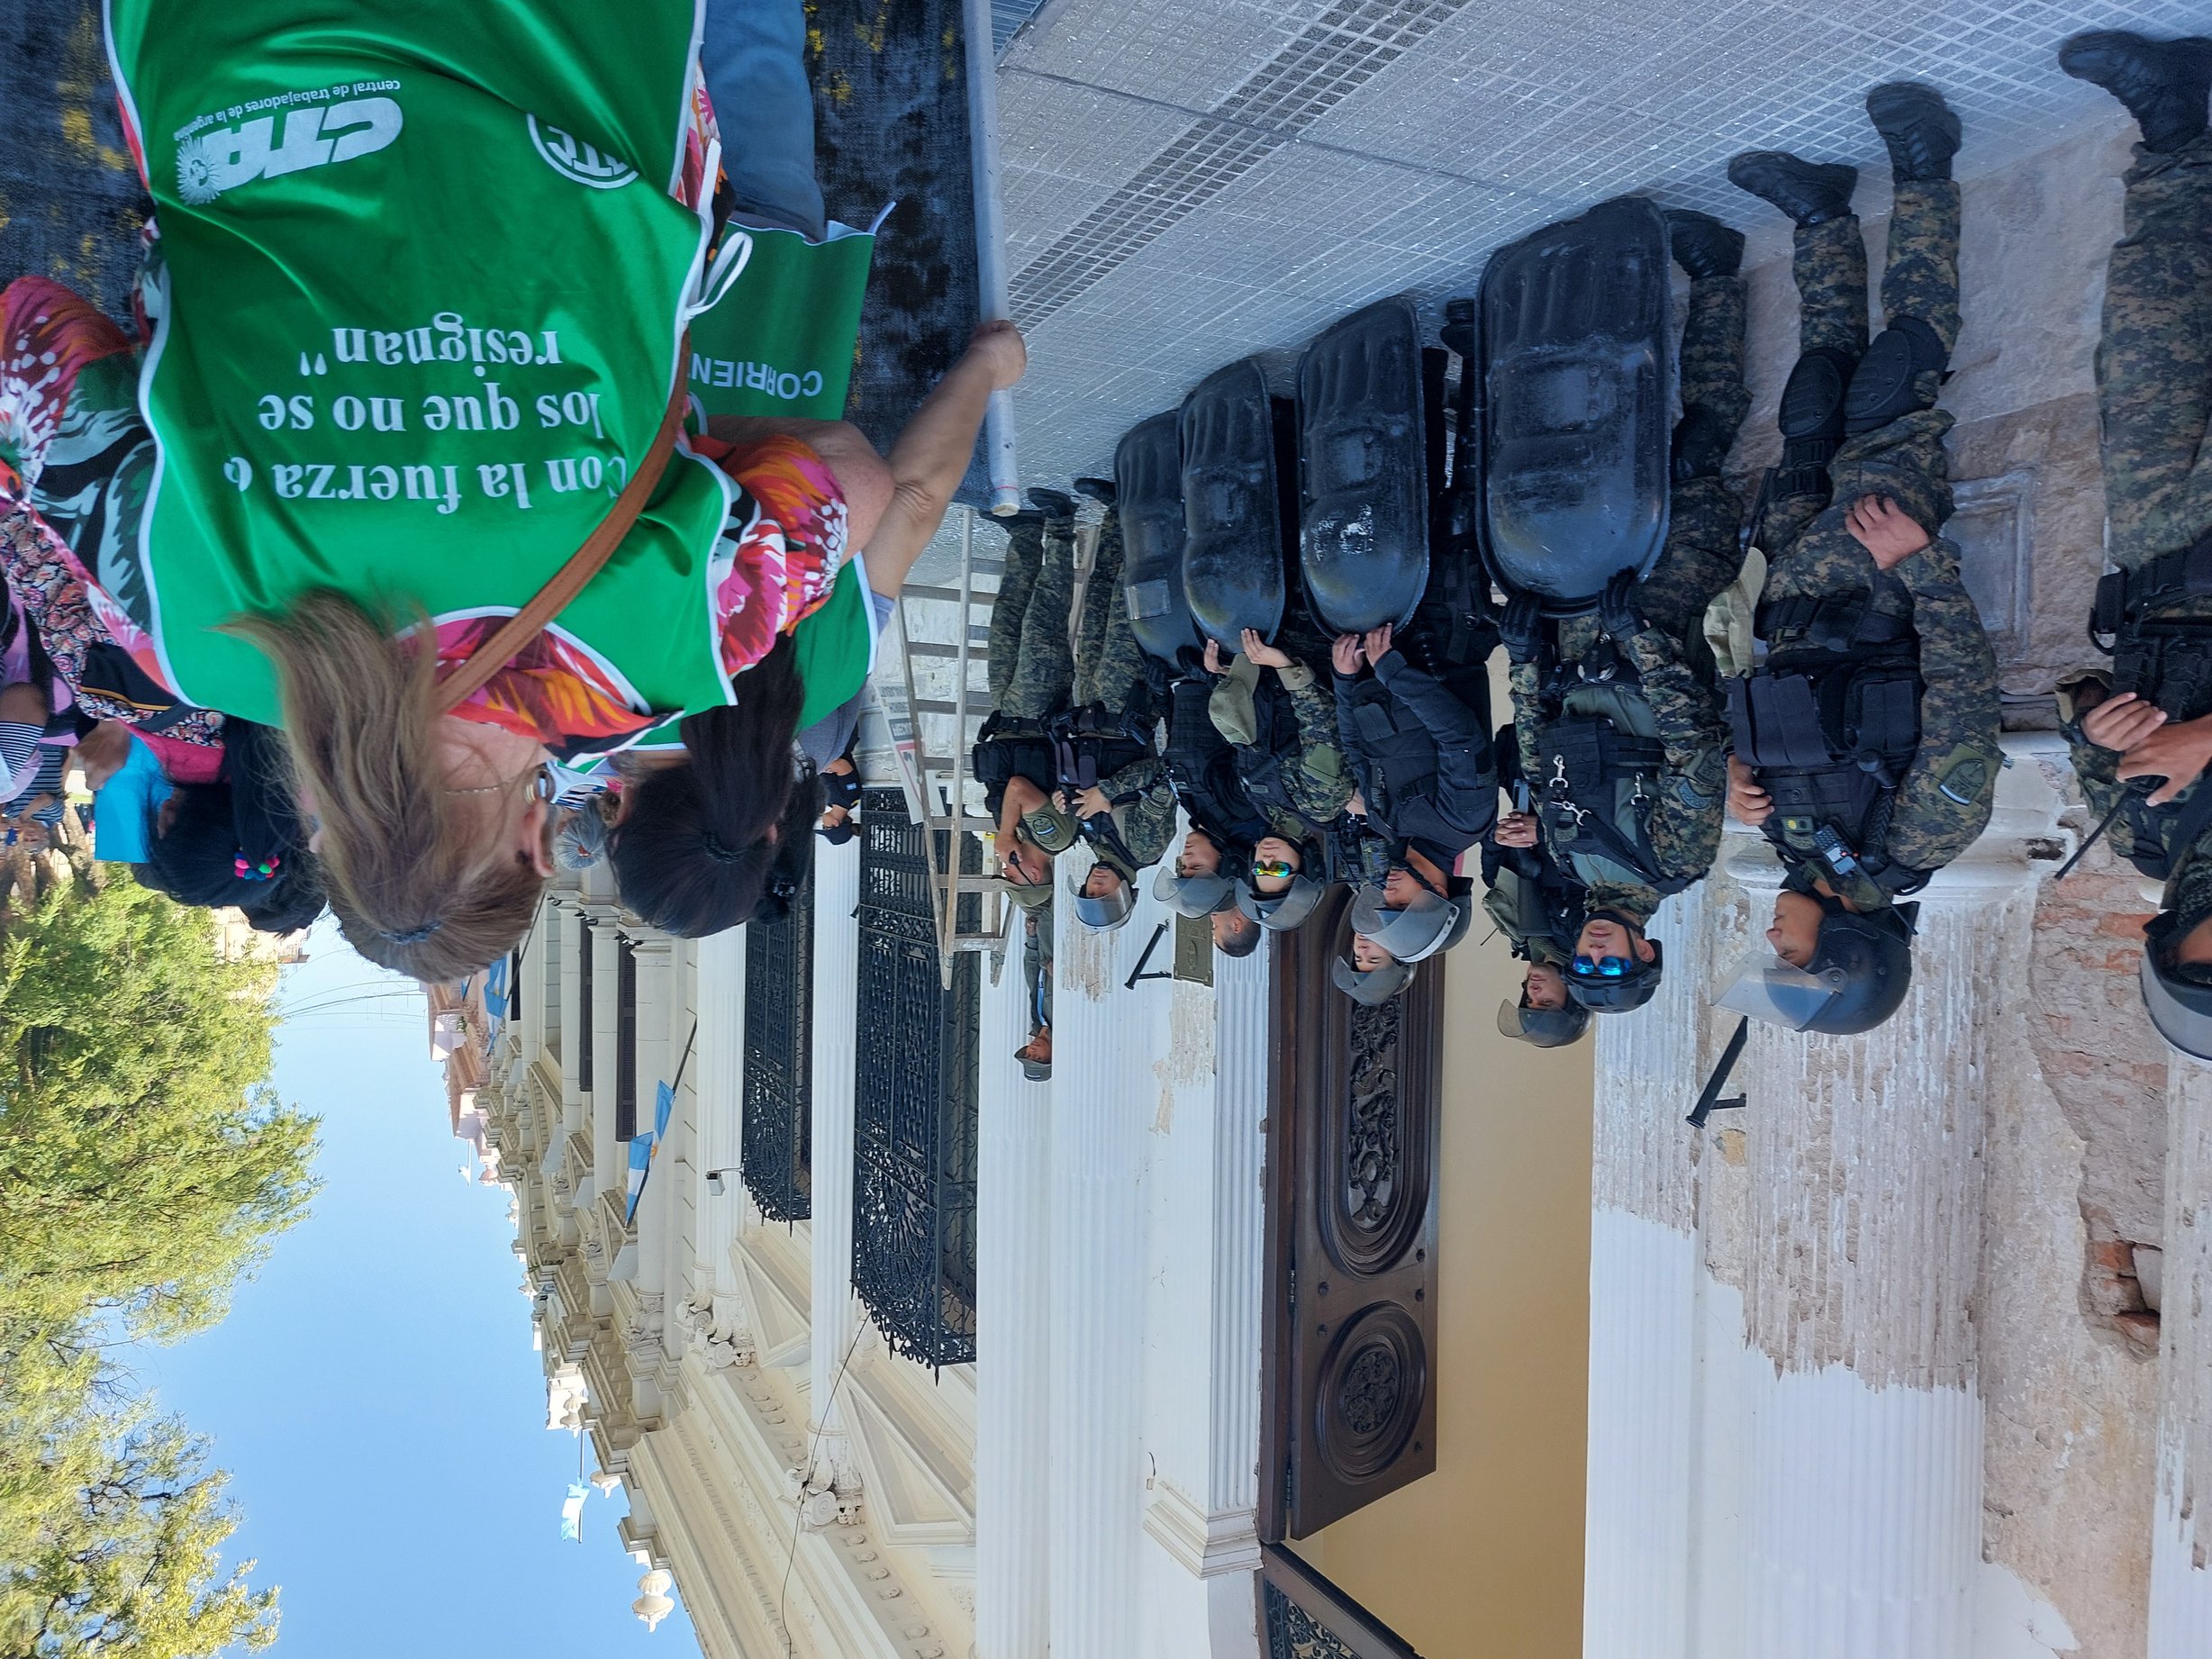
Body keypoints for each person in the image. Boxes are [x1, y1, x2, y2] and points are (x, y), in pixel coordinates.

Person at [0, 0, 894, 982]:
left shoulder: (660, 657)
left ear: (537, 844)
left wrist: (681, 459)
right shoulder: (188, 638)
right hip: (229, 50)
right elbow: (30, 332)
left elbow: (854, 473)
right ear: (324, 833)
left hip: (582, 54)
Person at [1718, 81, 2001, 1037]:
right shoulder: (1923, 835)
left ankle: (1821, 217)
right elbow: (1963, 688)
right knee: (1894, 379)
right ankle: (1924, 165)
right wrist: (1917, 560)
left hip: (1788, 577)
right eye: (1790, 954)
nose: (1771, 937)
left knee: (1815, 397)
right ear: (1845, 947)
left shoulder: (1795, 849)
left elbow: (1770, 714)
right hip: (1878, 566)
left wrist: (1738, 770)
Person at [608, 318, 1027, 936]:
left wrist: (987, 365)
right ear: (620, 819)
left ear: (767, 831)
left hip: (789, 324)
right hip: (622, 332)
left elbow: (912, 495)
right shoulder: (566, 684)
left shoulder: (830, 676)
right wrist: (689, 441)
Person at [1495, 209, 1747, 1018]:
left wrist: (1523, 660)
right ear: (1646, 953)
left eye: (1586, 964)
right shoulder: (1675, 864)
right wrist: (1644, 641)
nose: (1595, 951)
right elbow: (1695, 746)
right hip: (1660, 626)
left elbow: (1538, 758)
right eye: (1613, 965)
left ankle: (1602, 302)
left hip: (1579, 637)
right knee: (1696, 457)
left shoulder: (1570, 863)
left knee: (1604, 466)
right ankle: (1716, 277)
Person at [2044, 32, 2212, 1056]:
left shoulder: (2149, 847)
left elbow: (2077, 708)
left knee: (2149, 328)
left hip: (2154, 564)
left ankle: (2175, 123)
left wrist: (2095, 728)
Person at [1328, 618, 1494, 1002]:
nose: (1388, 894)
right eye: (1401, 903)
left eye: (1388, 905)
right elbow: (1459, 735)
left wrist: (1344, 680)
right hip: (1436, 638)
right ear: (1437, 892)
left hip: (1369, 659)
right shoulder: (1465, 822)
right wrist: (1393, 671)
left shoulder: (1388, 828)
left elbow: (1357, 753)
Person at [1154, 628, 1348, 945]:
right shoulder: (1320, 806)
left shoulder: (1266, 808)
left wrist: (1222, 676)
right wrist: (1283, 664)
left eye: (1260, 869)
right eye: (1279, 869)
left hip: (1258, 656)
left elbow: (1248, 733)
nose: (1266, 859)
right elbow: (1323, 724)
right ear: (1306, 864)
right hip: (1305, 647)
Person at [1051, 499, 1177, 930]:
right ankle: (1148, 509)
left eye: (1089, 890)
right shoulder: (1142, 849)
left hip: (1090, 711)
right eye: (1102, 893)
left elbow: (1085, 788)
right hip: (1124, 711)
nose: (1096, 885)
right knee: (1126, 606)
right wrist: (1107, 791)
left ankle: (1114, 514)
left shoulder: (1094, 841)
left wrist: (1066, 795)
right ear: (1124, 892)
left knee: (1099, 601)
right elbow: (1165, 777)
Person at [1486, 792, 1593, 1049]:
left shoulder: (1523, 937)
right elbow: (1599, 847)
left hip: (1524, 792)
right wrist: (1545, 834)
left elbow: (1492, 870)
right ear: (1573, 995)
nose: (1533, 992)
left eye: (1528, 1000)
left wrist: (1498, 838)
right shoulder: (1589, 935)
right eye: (1546, 1001)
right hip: (1569, 794)